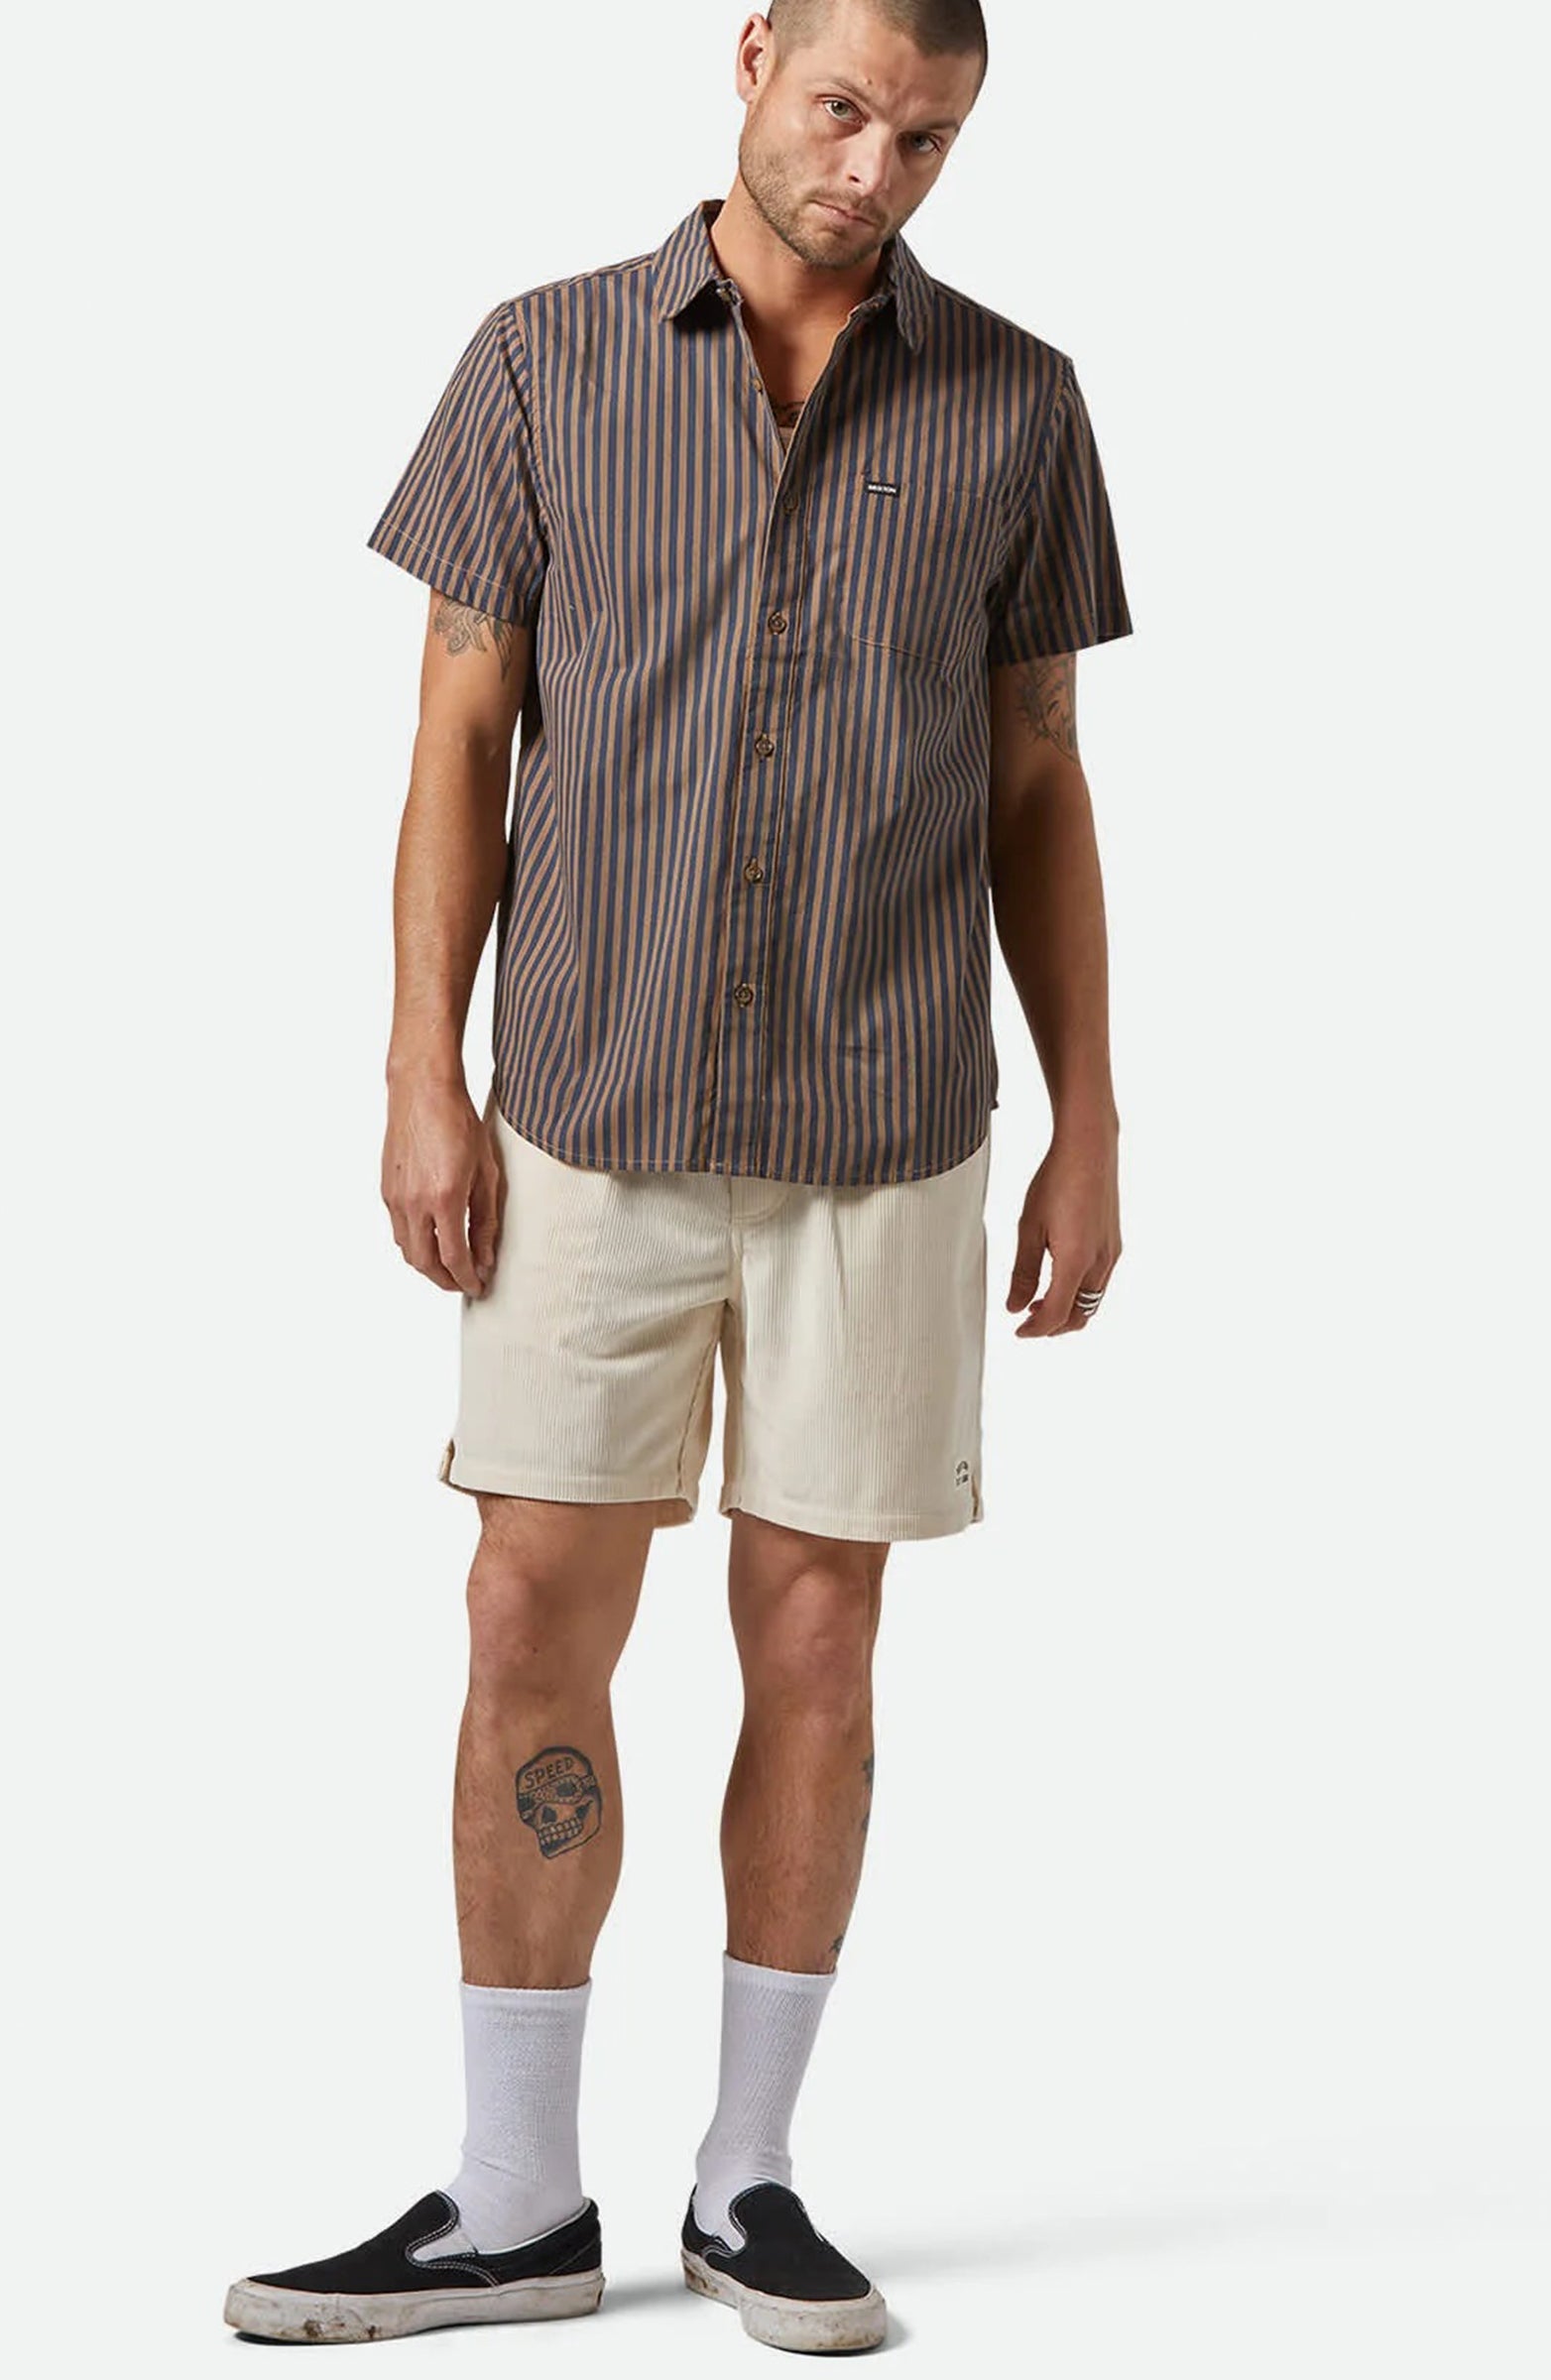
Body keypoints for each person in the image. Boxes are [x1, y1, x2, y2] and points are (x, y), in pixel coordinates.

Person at [223, 0, 1132, 2353]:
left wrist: (1094, 1115)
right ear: (748, 61)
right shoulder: (541, 362)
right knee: (530, 1608)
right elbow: (457, 735)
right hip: (584, 1110)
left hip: (886, 1126)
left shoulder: (1018, 404)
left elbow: (1039, 774)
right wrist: (419, 1070)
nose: (875, 169)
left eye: (927, 137)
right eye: (843, 108)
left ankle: (752, 2184)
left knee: (819, 1633)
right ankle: (515, 2199)